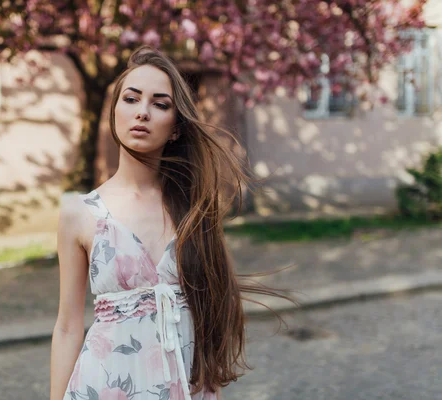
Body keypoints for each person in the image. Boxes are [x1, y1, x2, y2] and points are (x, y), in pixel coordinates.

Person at [50, 45, 295, 400]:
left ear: (176, 129)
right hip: (103, 387)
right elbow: (68, 327)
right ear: (115, 111)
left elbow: (212, 313)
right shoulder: (79, 213)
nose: (142, 113)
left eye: (160, 104)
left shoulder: (195, 209)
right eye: (131, 99)